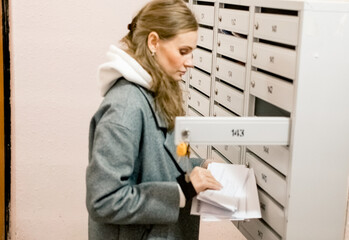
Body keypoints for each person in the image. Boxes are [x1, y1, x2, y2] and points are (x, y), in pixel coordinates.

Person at [86, 0, 222, 239]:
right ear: (153, 42)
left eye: (192, 52)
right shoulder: (125, 108)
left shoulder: (154, 91)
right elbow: (104, 201)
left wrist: (200, 167)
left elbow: (159, 163)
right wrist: (184, 189)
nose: (190, 62)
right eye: (183, 51)